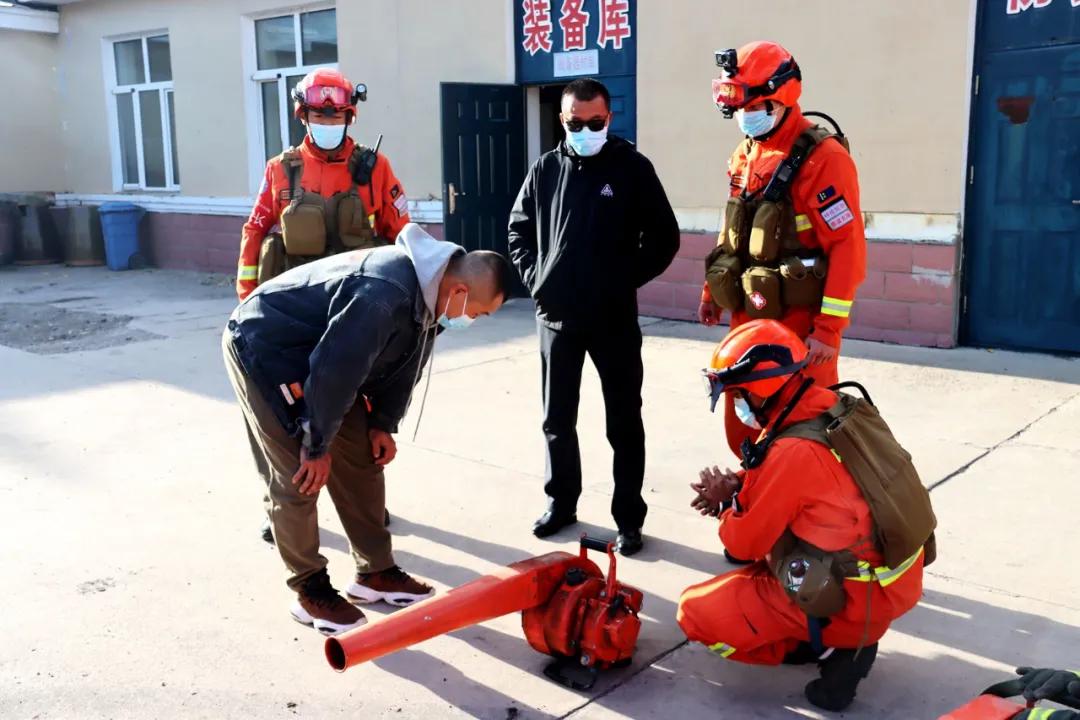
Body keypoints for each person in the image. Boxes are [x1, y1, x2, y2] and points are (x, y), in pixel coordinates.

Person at [223, 223, 511, 635]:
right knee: (299, 476)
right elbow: (335, 368)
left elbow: (407, 362)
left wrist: (382, 424)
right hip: (264, 348)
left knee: (360, 461)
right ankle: (310, 590)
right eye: (481, 313)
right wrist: (317, 444)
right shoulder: (383, 294)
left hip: (320, 356)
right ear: (461, 292)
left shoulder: (433, 298)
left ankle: (374, 574)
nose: (477, 320)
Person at [677, 320, 925, 712]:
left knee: (695, 612)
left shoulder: (793, 451)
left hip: (853, 601)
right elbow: (799, 482)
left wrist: (729, 504)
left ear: (760, 391)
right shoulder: (834, 406)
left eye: (738, 394)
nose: (736, 405)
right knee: (770, 552)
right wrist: (741, 483)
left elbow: (741, 543)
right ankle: (832, 635)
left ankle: (830, 647)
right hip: (890, 581)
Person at [235, 68, 411, 543]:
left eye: (336, 113)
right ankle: (282, 504)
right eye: (319, 113)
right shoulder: (282, 169)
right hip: (294, 316)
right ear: (303, 114)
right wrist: (246, 299)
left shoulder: (375, 169)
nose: (328, 120)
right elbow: (256, 231)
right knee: (278, 409)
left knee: (359, 406)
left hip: (356, 314)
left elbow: (401, 234)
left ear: (350, 115)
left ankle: (368, 504)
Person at [507, 77, 680, 556]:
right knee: (556, 420)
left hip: (613, 320)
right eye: (575, 123)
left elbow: (664, 238)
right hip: (556, 318)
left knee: (624, 422)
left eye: (595, 122)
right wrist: (537, 280)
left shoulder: (631, 168)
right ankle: (561, 503)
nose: (586, 130)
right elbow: (518, 230)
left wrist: (623, 280)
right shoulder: (545, 169)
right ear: (562, 121)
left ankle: (629, 518)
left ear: (609, 119)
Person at [698, 41, 866, 461]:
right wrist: (710, 289)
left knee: (802, 431)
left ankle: (801, 514)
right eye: (737, 107)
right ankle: (752, 499)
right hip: (747, 318)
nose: (743, 116)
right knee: (744, 422)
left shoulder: (824, 160)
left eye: (750, 105)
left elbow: (847, 247)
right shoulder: (745, 154)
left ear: (780, 97)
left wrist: (828, 330)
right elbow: (734, 228)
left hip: (800, 330)